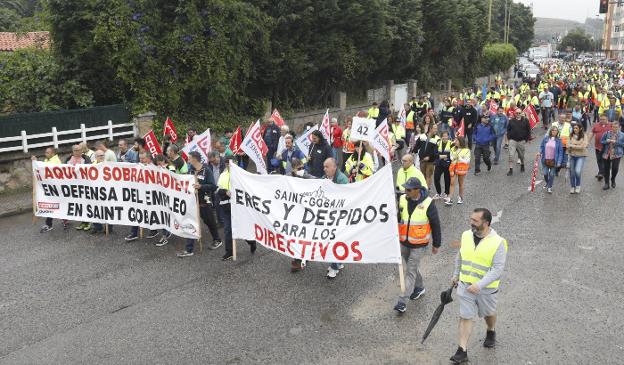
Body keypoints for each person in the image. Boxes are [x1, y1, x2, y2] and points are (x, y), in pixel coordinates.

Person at [449, 208, 508, 364]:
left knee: (489, 313)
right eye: (471, 219)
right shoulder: (466, 235)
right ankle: (462, 351)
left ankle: (491, 330)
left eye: (475, 220)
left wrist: (480, 285)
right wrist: (456, 275)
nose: (471, 223)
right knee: (465, 316)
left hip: (486, 289)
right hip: (465, 285)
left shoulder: (498, 243)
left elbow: (497, 269)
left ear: (486, 223)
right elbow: (460, 256)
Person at [393, 178, 441, 314]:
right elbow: (399, 217)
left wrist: (436, 244)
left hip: (419, 245)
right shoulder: (403, 198)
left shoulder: (428, 203)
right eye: (405, 189)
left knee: (410, 272)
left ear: (417, 190)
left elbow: (435, 224)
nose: (405, 192)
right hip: (404, 242)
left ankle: (402, 301)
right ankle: (419, 287)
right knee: (411, 268)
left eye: (408, 189)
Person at [177, 151, 223, 258]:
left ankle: (217, 239)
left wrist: (201, 187)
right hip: (193, 202)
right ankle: (189, 249)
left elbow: (213, 186)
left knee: (210, 222)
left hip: (205, 203)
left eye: (189, 158)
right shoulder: (191, 170)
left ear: (195, 159)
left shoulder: (206, 170)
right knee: (191, 223)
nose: (188, 160)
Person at [217, 155, 257, 261]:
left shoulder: (242, 175)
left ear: (235, 162)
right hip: (226, 206)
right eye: (227, 163)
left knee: (242, 228)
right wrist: (225, 191)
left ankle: (251, 242)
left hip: (239, 207)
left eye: (231, 163)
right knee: (227, 230)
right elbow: (218, 190)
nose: (229, 165)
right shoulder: (223, 175)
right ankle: (229, 252)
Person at [323, 157, 349, 278]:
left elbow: (345, 198)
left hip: (339, 216)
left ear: (334, 167)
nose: (325, 169)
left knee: (335, 240)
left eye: (327, 167)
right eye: (324, 167)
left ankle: (334, 267)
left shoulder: (342, 179)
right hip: (330, 214)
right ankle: (338, 262)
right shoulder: (325, 178)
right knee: (332, 239)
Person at [31, 147, 66, 232]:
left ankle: (53, 223)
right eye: (45, 152)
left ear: (53, 153)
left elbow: (45, 168)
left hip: (56, 188)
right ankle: (54, 222)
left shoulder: (55, 161)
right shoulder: (47, 160)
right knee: (53, 205)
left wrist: (36, 162)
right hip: (49, 188)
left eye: (47, 152)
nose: (45, 154)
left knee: (55, 205)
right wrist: (35, 163)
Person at [446, 137, 470, 206]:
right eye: (455, 140)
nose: (455, 141)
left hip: (461, 168)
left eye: (456, 140)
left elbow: (467, 160)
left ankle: (460, 197)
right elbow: (451, 157)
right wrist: (454, 158)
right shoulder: (453, 148)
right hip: (453, 167)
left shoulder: (466, 150)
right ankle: (450, 198)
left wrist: (459, 158)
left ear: (460, 141)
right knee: (452, 182)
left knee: (460, 183)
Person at [539, 126, 564, 194]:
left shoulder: (559, 141)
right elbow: (541, 147)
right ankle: (548, 182)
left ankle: (549, 187)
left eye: (555, 131)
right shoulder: (546, 138)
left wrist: (559, 162)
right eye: (553, 130)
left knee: (552, 174)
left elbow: (561, 152)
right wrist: (539, 152)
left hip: (554, 161)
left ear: (557, 132)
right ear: (550, 131)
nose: (554, 132)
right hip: (545, 159)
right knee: (545, 173)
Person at [413, 124, 439, 188]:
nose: (436, 130)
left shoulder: (437, 139)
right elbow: (417, 145)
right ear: (430, 129)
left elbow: (436, 151)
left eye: (436, 128)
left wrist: (429, 157)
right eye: (435, 128)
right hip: (422, 160)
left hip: (431, 161)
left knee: (428, 175)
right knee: (423, 175)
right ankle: (425, 187)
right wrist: (413, 152)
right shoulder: (422, 137)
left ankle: (426, 190)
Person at [506, 108, 531, 176]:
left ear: (521, 113)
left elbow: (529, 130)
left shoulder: (525, 120)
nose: (518, 114)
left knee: (521, 156)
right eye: (516, 113)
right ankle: (510, 169)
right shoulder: (511, 121)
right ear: (514, 113)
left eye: (519, 113)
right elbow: (508, 130)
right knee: (511, 155)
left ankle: (522, 164)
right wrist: (509, 138)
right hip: (512, 140)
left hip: (521, 141)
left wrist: (526, 139)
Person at [600, 121, 624, 190]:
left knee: (615, 168)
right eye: (613, 127)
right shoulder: (607, 133)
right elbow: (602, 141)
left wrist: (616, 142)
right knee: (606, 169)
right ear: (611, 127)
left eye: (616, 127)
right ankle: (606, 183)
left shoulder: (622, 135)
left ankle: (613, 179)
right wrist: (606, 141)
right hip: (607, 153)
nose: (614, 128)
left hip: (617, 154)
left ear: (619, 127)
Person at [590, 114, 612, 182]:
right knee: (599, 160)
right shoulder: (596, 125)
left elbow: (616, 133)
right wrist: (587, 141)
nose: (602, 121)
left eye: (604, 119)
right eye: (601, 119)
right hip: (597, 146)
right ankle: (601, 172)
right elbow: (592, 133)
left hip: (607, 147)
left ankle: (602, 173)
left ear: (607, 119)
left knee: (604, 160)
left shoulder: (611, 125)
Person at [567, 123, 588, 194]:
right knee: (572, 173)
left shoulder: (584, 136)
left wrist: (573, 145)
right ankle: (572, 187)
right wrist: (578, 145)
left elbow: (583, 146)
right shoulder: (570, 135)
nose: (575, 129)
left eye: (576, 128)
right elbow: (567, 145)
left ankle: (578, 185)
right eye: (574, 128)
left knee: (578, 171)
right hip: (572, 156)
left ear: (580, 129)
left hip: (581, 156)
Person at [207, 151, 225, 225]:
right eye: (211, 161)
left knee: (222, 206)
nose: (212, 163)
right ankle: (221, 221)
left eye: (213, 161)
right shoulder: (209, 165)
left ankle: (224, 221)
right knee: (217, 206)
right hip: (214, 189)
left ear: (217, 157)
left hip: (224, 188)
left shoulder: (224, 163)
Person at [433, 131, 452, 199]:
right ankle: (439, 193)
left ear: (448, 136)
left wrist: (443, 156)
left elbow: (453, 154)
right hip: (439, 164)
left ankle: (446, 193)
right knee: (436, 178)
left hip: (448, 164)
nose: (444, 137)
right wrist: (442, 156)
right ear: (441, 137)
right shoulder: (438, 143)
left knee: (447, 179)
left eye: (446, 136)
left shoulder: (451, 144)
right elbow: (434, 153)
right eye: (443, 136)